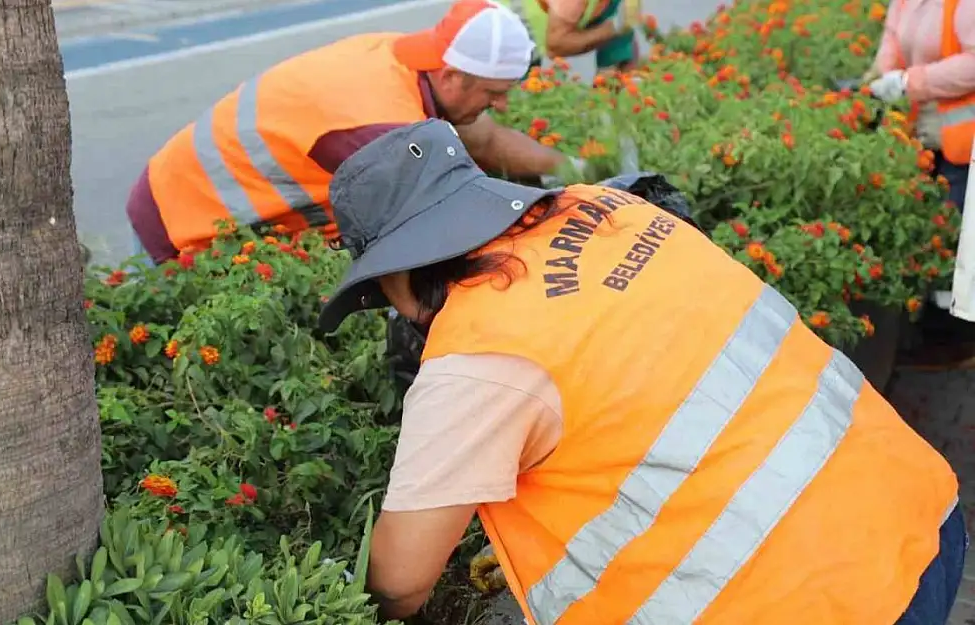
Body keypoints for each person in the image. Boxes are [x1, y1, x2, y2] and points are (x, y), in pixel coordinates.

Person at [317, 119, 966, 625]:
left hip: (804, 601)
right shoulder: (608, 210)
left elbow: (402, 579)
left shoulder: (476, 353)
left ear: (396, 268)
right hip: (915, 517)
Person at [125, 0, 574, 267]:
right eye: (494, 94)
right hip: (182, 227)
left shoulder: (406, 59)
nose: (501, 106)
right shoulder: (383, 125)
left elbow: (487, 140)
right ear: (454, 76)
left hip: (188, 197)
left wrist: (576, 171)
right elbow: (444, 222)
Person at [866, 0, 975, 369]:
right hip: (926, 138)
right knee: (937, 239)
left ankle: (959, 342)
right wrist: (884, 76)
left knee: (957, 245)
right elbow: (892, 40)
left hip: (965, 142)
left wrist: (910, 82)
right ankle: (943, 337)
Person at [499, 0, 641, 75]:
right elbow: (556, 46)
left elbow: (620, 47)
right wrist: (614, 28)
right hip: (497, 42)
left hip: (519, 47)